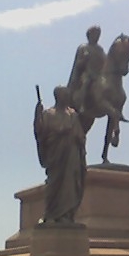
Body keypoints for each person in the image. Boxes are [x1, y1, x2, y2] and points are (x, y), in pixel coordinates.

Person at [34, 86, 87, 224]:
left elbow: (80, 136)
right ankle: (51, 214)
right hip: (56, 156)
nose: (68, 97)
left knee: (70, 184)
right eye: (65, 95)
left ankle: (66, 215)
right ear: (58, 96)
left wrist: (78, 139)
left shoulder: (73, 114)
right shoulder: (48, 114)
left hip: (71, 155)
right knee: (54, 184)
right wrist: (37, 116)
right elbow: (41, 133)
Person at [67, 25, 106, 114]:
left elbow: (105, 61)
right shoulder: (83, 47)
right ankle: (81, 104)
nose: (96, 37)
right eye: (95, 34)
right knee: (86, 82)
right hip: (87, 73)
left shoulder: (100, 49)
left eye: (98, 35)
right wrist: (84, 59)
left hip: (98, 75)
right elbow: (78, 64)